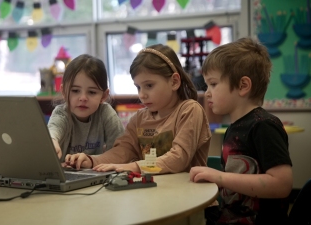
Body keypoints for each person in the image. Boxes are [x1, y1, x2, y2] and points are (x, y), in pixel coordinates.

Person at [189, 37, 293, 224]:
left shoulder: (263, 126)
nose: (208, 93)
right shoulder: (234, 128)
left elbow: (282, 185)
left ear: (243, 86)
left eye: (213, 84)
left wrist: (220, 177)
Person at [65, 44, 212, 174]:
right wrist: (91, 161)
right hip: (154, 198)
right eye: (138, 87)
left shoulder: (190, 110)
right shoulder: (139, 119)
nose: (142, 94)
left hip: (192, 199)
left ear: (174, 82)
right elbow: (122, 152)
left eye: (149, 85)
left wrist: (135, 167)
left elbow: (178, 158)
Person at [48, 54, 124, 162]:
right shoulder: (61, 113)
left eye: (92, 92)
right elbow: (53, 131)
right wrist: (52, 142)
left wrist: (91, 160)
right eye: (75, 91)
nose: (83, 98)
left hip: (96, 173)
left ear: (103, 96)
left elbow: (121, 150)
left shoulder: (106, 113)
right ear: (64, 91)